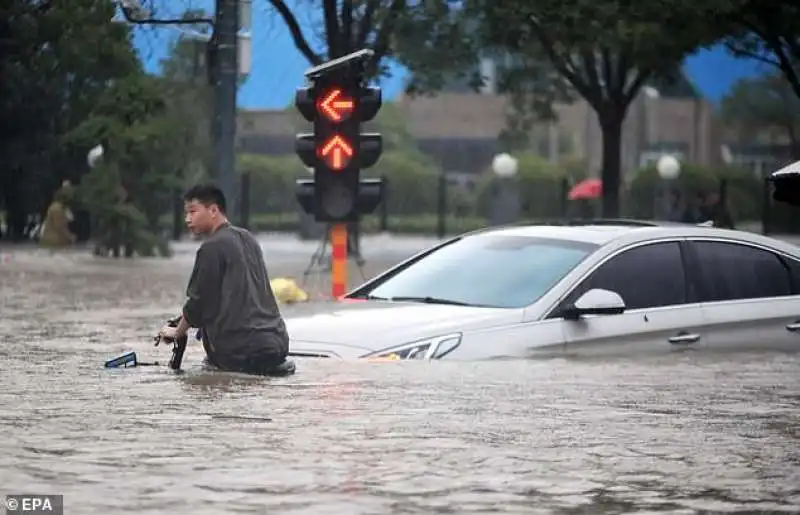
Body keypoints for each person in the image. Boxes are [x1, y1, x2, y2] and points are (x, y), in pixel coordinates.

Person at [157, 183, 294, 376]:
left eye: (192, 212)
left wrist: (176, 332)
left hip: (240, 352)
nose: (187, 219)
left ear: (213, 210)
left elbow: (199, 304)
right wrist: (182, 319)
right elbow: (232, 296)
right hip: (277, 344)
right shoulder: (248, 238)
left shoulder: (211, 248)